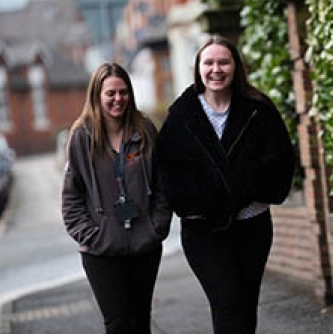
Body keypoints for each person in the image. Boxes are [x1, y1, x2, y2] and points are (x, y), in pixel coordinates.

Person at [156, 35, 295, 334]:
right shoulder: (181, 116)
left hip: (252, 225)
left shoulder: (259, 109)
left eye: (223, 62)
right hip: (203, 231)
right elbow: (169, 173)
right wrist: (209, 199)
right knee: (227, 301)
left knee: (245, 305)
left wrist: (240, 187)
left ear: (235, 67)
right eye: (209, 62)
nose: (216, 69)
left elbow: (280, 163)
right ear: (198, 68)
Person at [61, 62, 171, 334]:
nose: (118, 99)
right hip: (101, 252)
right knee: (118, 324)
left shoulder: (144, 130)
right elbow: (71, 197)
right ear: (97, 95)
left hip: (144, 246)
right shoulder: (81, 137)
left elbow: (162, 184)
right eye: (110, 93)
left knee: (140, 320)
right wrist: (92, 235)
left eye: (123, 92)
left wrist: (156, 227)